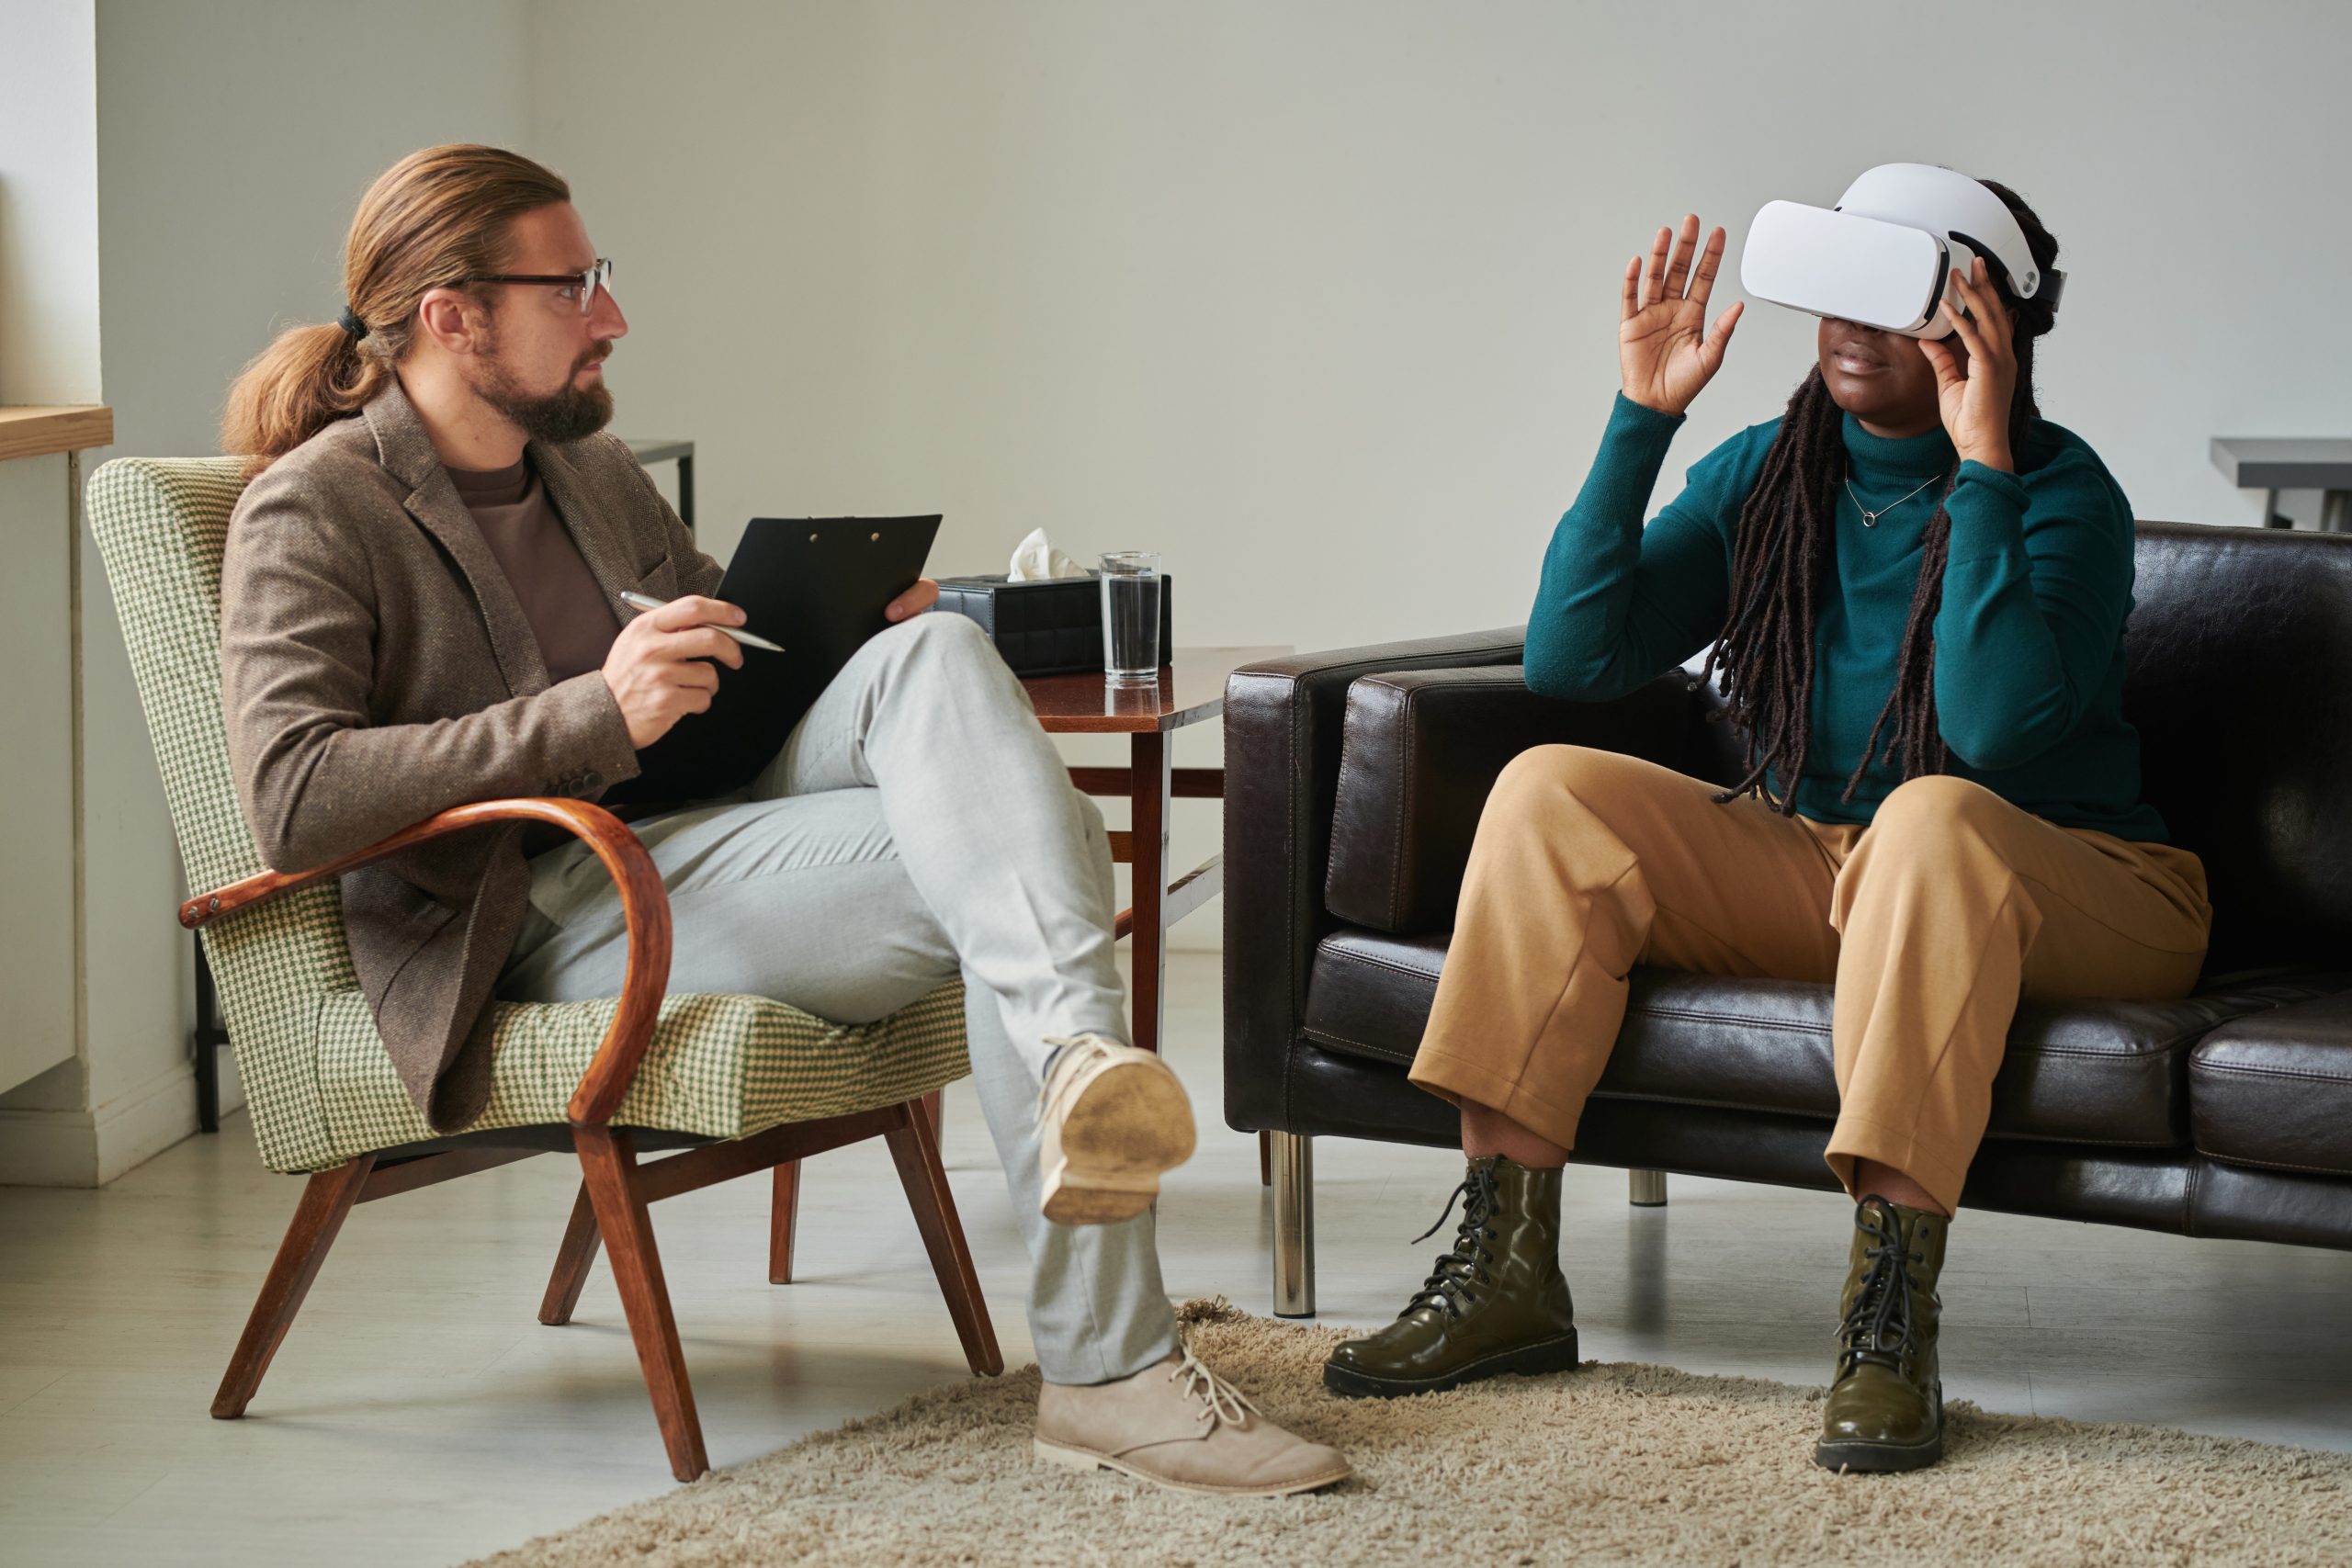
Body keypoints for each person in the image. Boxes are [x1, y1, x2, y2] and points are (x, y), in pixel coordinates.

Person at [217, 143, 1349, 1498]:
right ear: (452, 315)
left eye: (603, 280)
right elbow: (292, 798)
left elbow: (725, 657)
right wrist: (593, 713)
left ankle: (1070, 1088)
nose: (613, 317)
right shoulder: (316, 505)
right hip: (533, 909)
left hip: (697, 836)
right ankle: (1106, 1348)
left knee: (940, 680)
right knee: (1021, 866)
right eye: (573, 286)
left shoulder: (588, 472)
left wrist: (857, 636)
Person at [1321, 180, 2211, 1473]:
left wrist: (1984, 469)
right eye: (1841, 283)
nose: (1853, 320)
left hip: (2086, 885)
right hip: (1846, 868)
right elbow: (1579, 658)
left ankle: (1888, 1327)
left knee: (1932, 816)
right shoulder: (1775, 471)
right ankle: (1506, 1278)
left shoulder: (2064, 497)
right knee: (1551, 789)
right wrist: (1642, 418)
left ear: (1989, 327)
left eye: (1900, 294)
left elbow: (1996, 729)